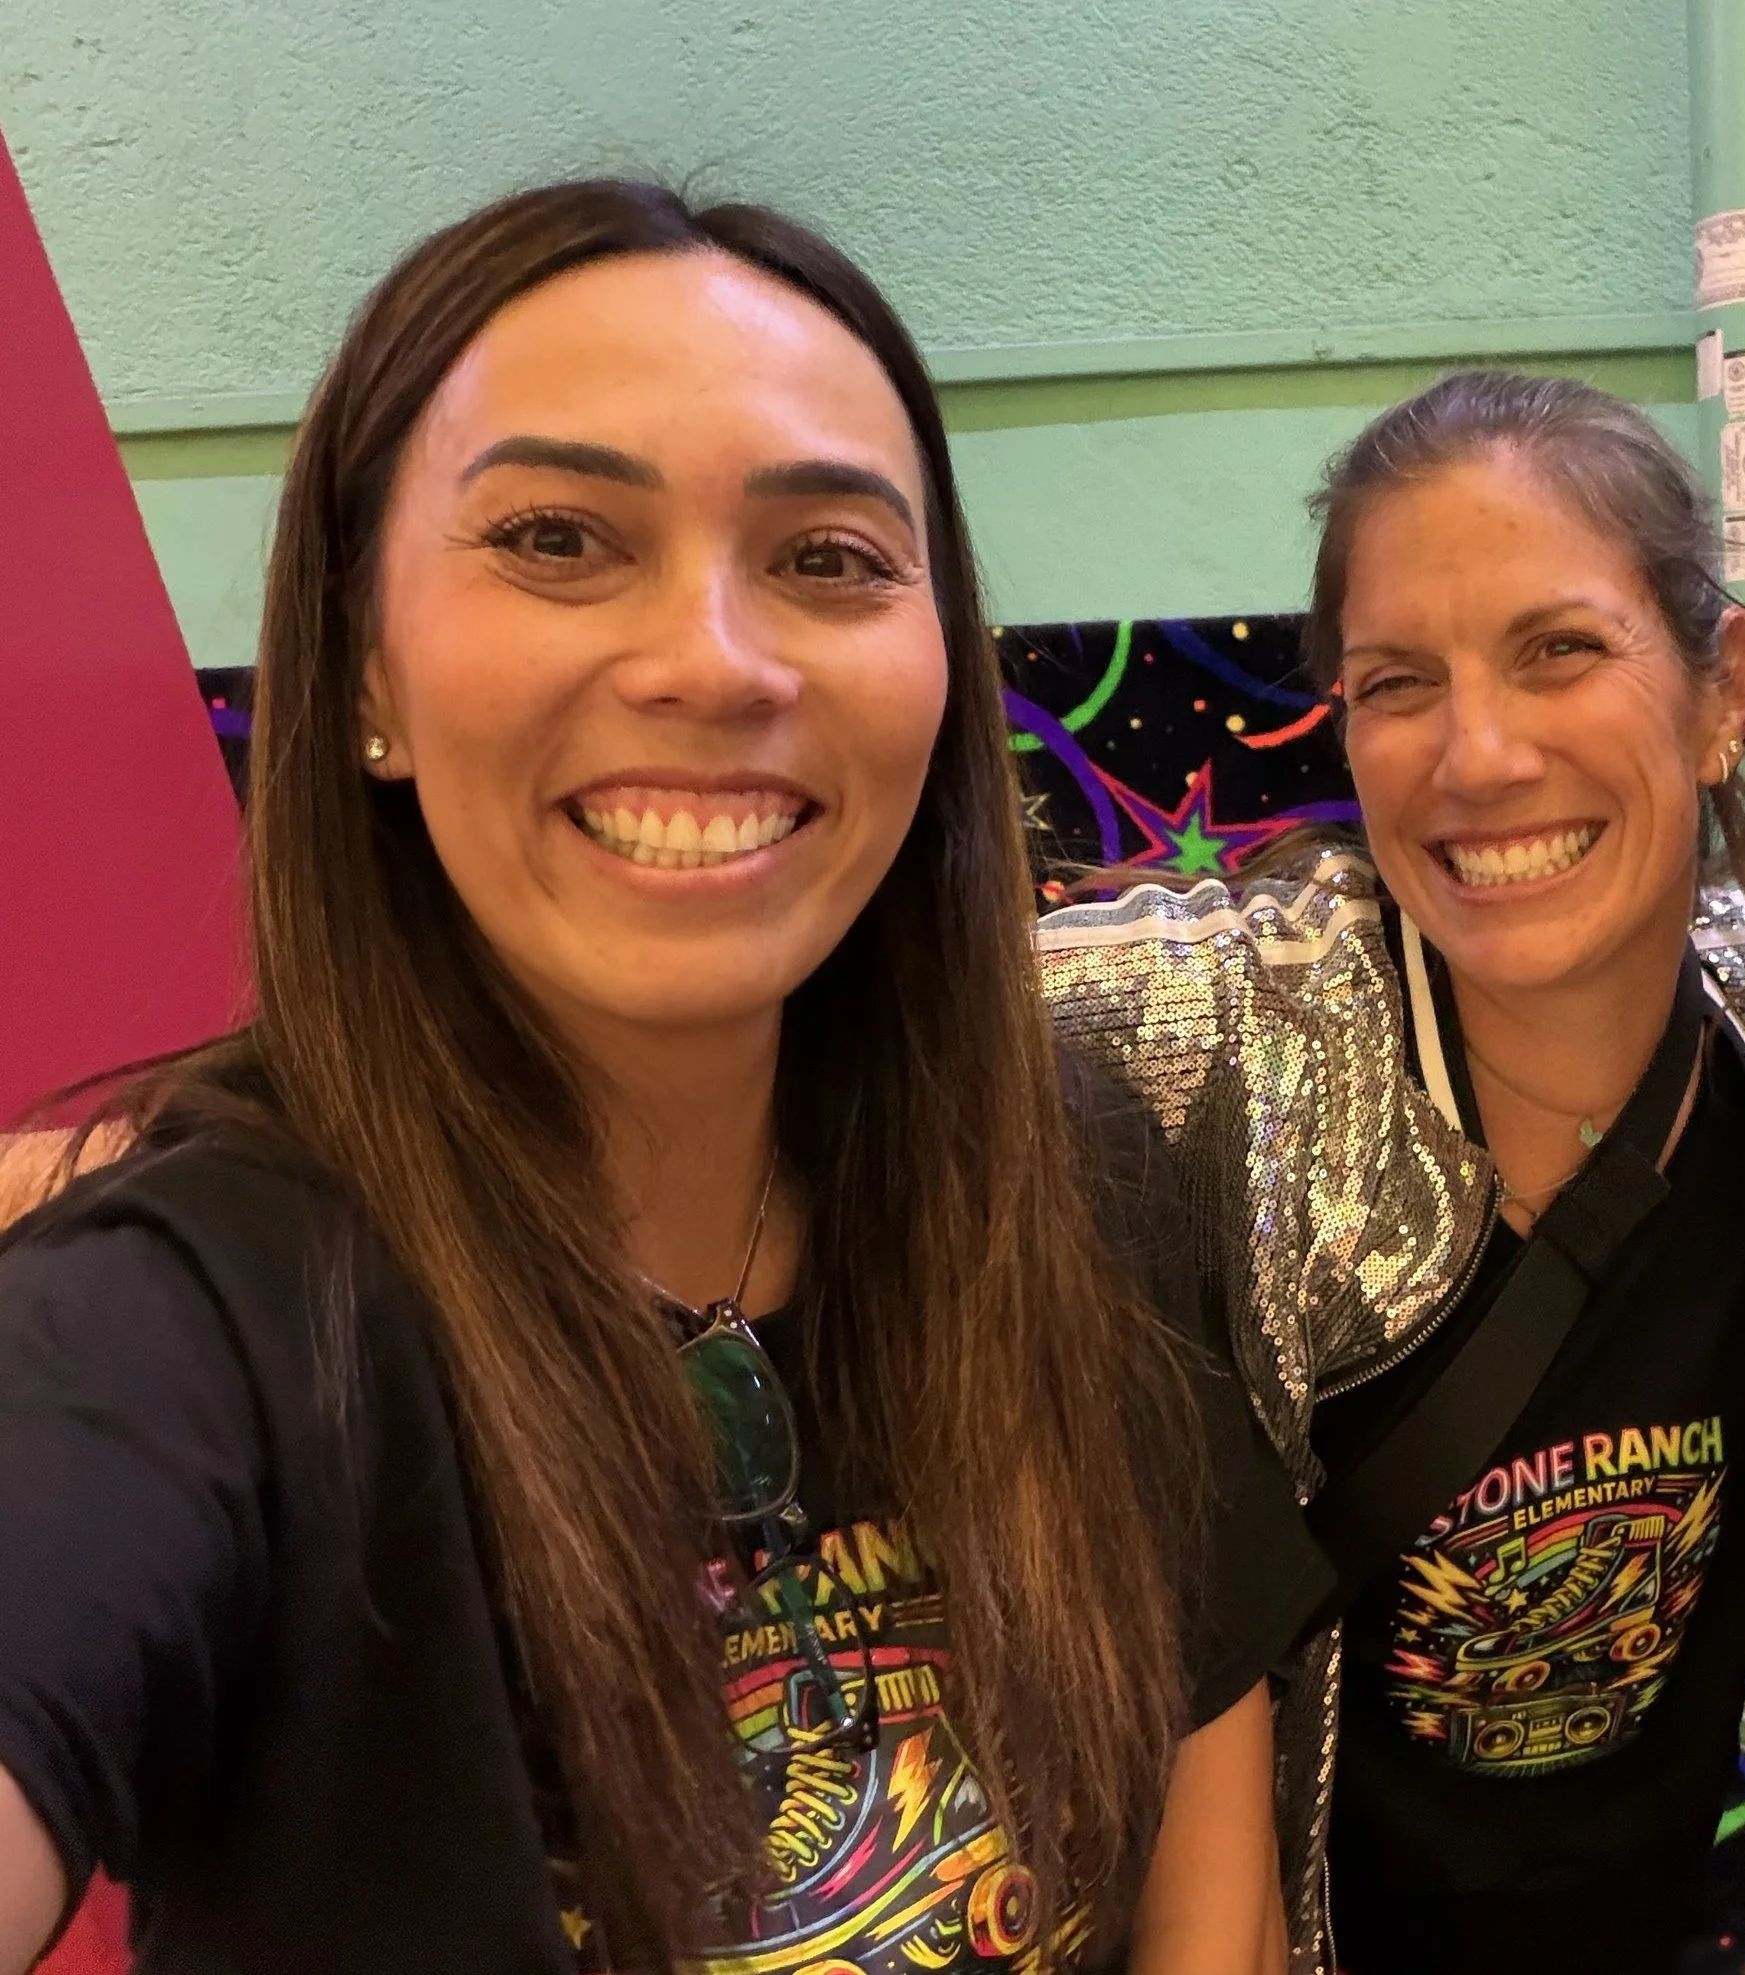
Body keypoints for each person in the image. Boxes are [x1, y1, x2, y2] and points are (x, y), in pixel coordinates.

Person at [0, 181, 1326, 1975]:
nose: (714, 661)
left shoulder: (1073, 1172)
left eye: (829, 558)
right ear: (366, 668)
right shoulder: (194, 1323)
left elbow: (1202, 1860)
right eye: (557, 537)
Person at [1037, 371, 1745, 1974]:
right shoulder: (1224, 1026)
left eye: (1559, 649)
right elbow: (881, 1000)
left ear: (1725, 690)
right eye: (1398, 683)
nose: (1477, 757)